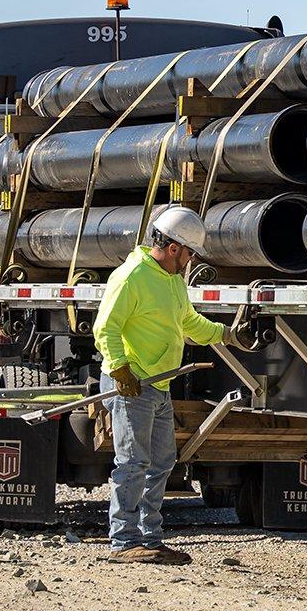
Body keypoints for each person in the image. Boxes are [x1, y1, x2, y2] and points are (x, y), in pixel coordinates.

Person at [94, 207, 257, 564]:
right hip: (133, 383)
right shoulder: (132, 276)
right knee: (133, 462)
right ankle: (123, 541)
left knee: (162, 461)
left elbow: (188, 322)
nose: (190, 260)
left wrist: (227, 335)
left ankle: (150, 538)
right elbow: (105, 328)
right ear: (173, 248)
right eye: (189, 253)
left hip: (160, 384)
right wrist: (121, 370)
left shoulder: (172, 281)